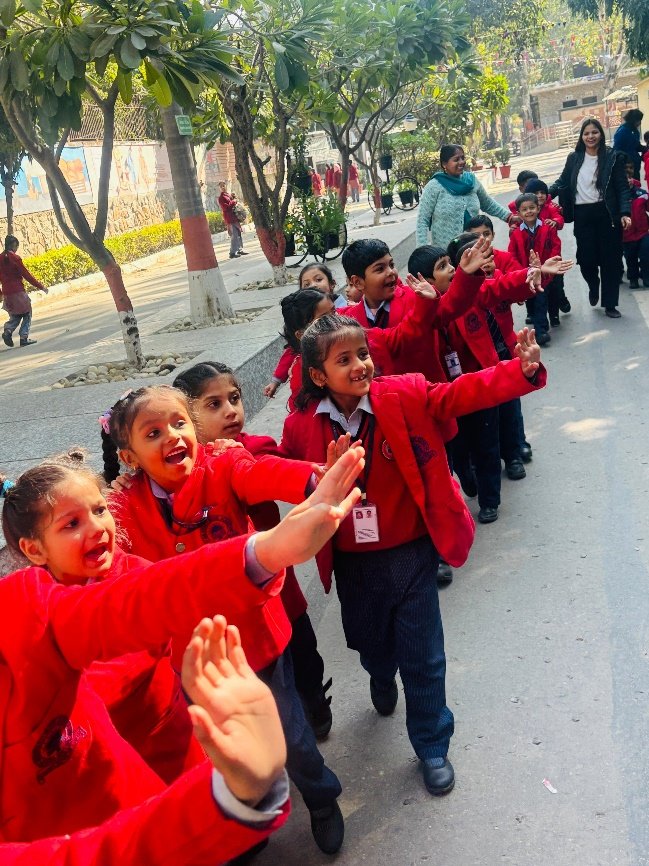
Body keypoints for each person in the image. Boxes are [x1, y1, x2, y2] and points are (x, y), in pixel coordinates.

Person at [0, 447, 366, 862]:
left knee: (285, 751)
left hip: (182, 734)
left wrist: (267, 550)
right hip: (132, 799)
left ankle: (317, 801)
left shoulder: (41, 607)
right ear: (34, 550)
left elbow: (150, 597)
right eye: (71, 524)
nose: (97, 527)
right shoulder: (52, 598)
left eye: (100, 510)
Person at [279, 312, 547, 798]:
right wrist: (312, 475)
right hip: (353, 563)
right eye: (344, 359)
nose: (360, 365)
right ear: (318, 375)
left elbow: (460, 393)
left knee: (424, 658)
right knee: (371, 645)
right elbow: (279, 468)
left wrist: (519, 371)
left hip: (412, 553)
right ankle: (381, 675)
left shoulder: (403, 392)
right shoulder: (301, 425)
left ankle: (432, 745)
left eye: (363, 354)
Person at [101, 385, 346, 855]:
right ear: (129, 456)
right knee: (223, 748)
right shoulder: (122, 507)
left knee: (291, 737)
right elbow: (101, 554)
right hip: (190, 660)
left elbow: (265, 473)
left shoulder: (223, 463)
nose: (172, 436)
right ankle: (247, 822)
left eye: (178, 423)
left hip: (255, 642)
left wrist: (316, 480)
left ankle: (321, 797)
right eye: (153, 433)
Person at [173, 360, 334, 740]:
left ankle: (314, 702)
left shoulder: (256, 448)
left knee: (303, 653)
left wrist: (318, 475)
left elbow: (284, 473)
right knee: (261, 677)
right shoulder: (180, 473)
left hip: (279, 590)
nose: (231, 411)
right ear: (186, 419)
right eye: (214, 405)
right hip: (226, 602)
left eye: (234, 398)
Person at [549, 118, 631, 319]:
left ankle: (610, 304)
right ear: (581, 137)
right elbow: (562, 181)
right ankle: (594, 285)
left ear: (601, 134)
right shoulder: (574, 158)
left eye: (594, 132)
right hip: (582, 215)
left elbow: (622, 187)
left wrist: (625, 213)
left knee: (610, 260)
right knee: (586, 260)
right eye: (586, 133)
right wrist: (543, 195)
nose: (590, 136)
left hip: (607, 214)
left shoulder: (612, 157)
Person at [265, 265, 344, 400]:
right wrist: (276, 380)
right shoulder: (302, 368)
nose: (313, 285)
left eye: (318, 279)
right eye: (307, 284)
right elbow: (300, 403)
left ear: (332, 283)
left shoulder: (346, 315)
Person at [417, 144, 516, 249]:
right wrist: (422, 251)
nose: (461, 162)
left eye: (463, 158)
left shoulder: (471, 180)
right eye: (456, 159)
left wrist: (509, 217)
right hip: (446, 251)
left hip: (475, 248)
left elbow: (487, 203)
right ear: (444, 164)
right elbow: (422, 220)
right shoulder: (434, 186)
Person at [508, 193, 561, 344]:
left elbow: (556, 246)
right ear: (518, 214)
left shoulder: (548, 227)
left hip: (546, 272)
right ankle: (536, 322)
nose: (529, 211)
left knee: (546, 298)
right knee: (532, 298)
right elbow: (512, 254)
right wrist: (520, 271)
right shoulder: (516, 233)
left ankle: (543, 328)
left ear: (538, 208)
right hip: (528, 273)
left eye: (532, 207)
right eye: (524, 209)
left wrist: (549, 264)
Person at [0, 234, 47, 348]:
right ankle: (23, 337)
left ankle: (8, 331)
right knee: (27, 313)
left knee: (15, 315)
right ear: (13, 245)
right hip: (18, 291)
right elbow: (26, 275)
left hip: (7, 293)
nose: (16, 249)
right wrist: (41, 286)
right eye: (16, 246)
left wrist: (0, 294)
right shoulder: (15, 258)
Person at [622, 179, 649, 289]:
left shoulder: (642, 194)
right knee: (630, 258)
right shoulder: (617, 196)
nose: (627, 181)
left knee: (646, 255)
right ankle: (633, 279)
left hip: (643, 232)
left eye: (629, 178)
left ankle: (646, 277)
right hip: (627, 234)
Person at [218, 181, 248, 260]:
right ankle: (232, 252)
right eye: (221, 186)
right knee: (234, 235)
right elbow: (226, 208)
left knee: (238, 233)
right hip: (229, 218)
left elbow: (233, 203)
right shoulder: (221, 198)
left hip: (234, 217)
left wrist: (234, 198)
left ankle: (239, 249)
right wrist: (233, 201)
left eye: (224, 185)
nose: (223, 187)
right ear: (219, 188)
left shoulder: (228, 195)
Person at [613, 109, 645, 180]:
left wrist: (645, 149)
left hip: (635, 165)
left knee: (636, 184)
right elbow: (617, 149)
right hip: (627, 167)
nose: (640, 123)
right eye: (639, 120)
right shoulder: (622, 131)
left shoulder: (634, 131)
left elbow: (636, 145)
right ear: (633, 120)